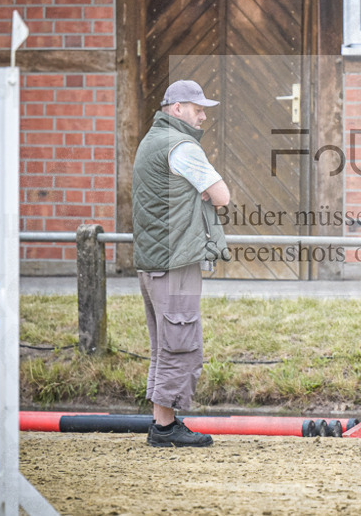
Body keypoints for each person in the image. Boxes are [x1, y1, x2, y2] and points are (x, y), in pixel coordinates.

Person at [132, 79, 230, 447]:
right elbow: (222, 195)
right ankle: (164, 429)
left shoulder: (151, 141)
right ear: (177, 109)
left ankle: (163, 421)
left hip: (153, 260)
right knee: (181, 344)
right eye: (198, 108)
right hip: (174, 261)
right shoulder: (182, 146)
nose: (204, 116)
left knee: (164, 345)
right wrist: (202, 190)